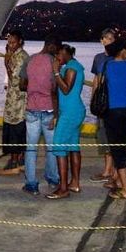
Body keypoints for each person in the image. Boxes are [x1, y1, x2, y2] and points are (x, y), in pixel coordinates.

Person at [21, 36, 61, 195]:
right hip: (49, 110)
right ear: (51, 46)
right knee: (51, 148)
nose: (58, 53)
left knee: (31, 148)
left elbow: (22, 84)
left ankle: (31, 183)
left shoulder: (30, 59)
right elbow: (55, 90)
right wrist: (57, 113)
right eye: (57, 49)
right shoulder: (54, 63)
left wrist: (34, 88)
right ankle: (52, 178)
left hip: (32, 108)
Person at [103, 39, 126, 200]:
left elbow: (101, 85)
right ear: (123, 51)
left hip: (113, 111)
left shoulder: (108, 66)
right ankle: (116, 180)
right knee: (123, 145)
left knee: (117, 149)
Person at [48, 44, 86, 199]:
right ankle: (74, 183)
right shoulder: (69, 66)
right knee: (73, 146)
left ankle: (63, 188)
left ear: (64, 53)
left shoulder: (72, 67)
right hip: (69, 111)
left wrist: (56, 71)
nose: (57, 58)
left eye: (58, 54)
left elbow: (66, 89)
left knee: (58, 145)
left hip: (71, 112)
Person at [0, 30, 30, 176]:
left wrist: (6, 62)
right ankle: (19, 159)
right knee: (14, 129)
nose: (10, 45)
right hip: (12, 99)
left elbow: (15, 79)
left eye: (13, 42)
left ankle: (15, 161)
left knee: (16, 130)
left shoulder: (21, 57)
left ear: (20, 42)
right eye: (9, 42)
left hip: (18, 101)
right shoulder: (15, 55)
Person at [89, 28, 118, 183]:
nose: (108, 41)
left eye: (111, 38)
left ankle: (113, 171)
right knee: (103, 136)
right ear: (101, 40)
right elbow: (96, 80)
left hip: (114, 102)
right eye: (106, 38)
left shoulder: (119, 57)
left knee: (113, 136)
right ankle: (108, 170)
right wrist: (93, 99)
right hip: (102, 102)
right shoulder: (98, 58)